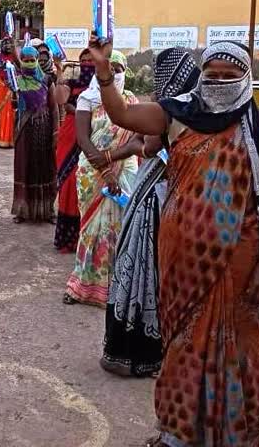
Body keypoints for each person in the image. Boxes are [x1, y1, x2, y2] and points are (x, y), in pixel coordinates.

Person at [89, 39, 259, 446]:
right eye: (210, 75)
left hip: (243, 266)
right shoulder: (178, 115)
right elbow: (122, 112)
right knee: (181, 344)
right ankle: (179, 433)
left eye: (229, 77)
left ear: (246, 79)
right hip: (181, 264)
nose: (218, 83)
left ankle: (236, 436)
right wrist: (105, 72)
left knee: (241, 350)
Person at [101, 48, 200, 379]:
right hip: (181, 199)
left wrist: (103, 74)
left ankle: (139, 349)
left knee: (148, 268)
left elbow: (142, 137)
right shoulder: (209, 109)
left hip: (161, 197)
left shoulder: (173, 110)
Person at [64, 50, 138, 307]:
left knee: (121, 229)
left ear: (124, 72)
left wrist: (112, 156)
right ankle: (82, 286)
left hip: (125, 169)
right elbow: (83, 139)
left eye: (118, 69)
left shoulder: (130, 101)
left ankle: (118, 288)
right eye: (109, 69)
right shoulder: (87, 98)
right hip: (92, 172)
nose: (114, 74)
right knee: (91, 231)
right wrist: (105, 169)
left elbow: (138, 140)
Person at [11, 46, 59, 223]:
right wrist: (14, 94)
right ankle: (22, 211)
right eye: (26, 60)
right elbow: (14, 106)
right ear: (22, 61)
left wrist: (55, 132)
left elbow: (54, 108)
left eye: (33, 60)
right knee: (25, 168)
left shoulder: (46, 80)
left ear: (37, 60)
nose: (30, 63)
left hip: (44, 130)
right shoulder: (16, 81)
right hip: (25, 130)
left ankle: (48, 211)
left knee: (46, 168)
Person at [53, 49, 95, 253]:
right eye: (83, 60)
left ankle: (85, 237)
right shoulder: (72, 82)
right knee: (68, 183)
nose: (87, 64)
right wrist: (60, 70)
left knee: (87, 184)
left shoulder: (103, 86)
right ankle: (67, 239)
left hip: (92, 134)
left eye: (91, 60)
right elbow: (60, 100)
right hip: (69, 135)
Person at [0, 37, 19, 148]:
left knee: (13, 113)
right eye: (5, 44)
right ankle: (3, 138)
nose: (8, 46)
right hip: (2, 87)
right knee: (4, 112)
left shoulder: (15, 57)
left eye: (10, 44)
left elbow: (20, 69)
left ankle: (12, 139)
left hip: (13, 88)